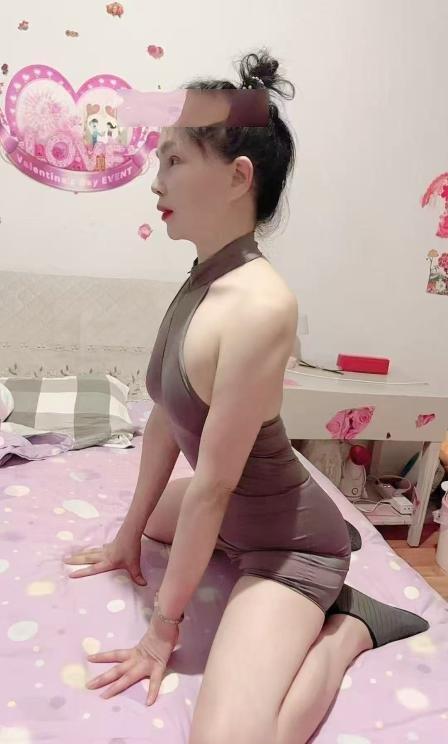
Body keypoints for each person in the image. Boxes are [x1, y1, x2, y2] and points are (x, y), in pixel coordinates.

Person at [65, 49, 428, 744]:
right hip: (238, 511)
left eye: (174, 159)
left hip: (288, 547)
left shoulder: (262, 304)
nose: (156, 180)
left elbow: (212, 488)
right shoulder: (203, 276)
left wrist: (162, 629)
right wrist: (126, 537)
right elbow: (166, 418)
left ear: (237, 177)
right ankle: (323, 535)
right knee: (153, 522)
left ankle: (350, 626)